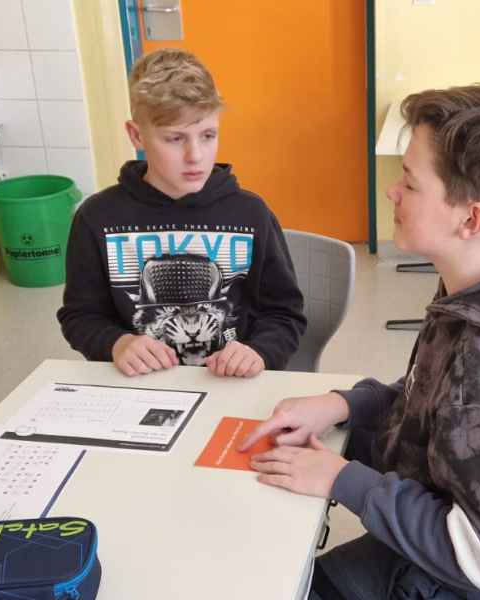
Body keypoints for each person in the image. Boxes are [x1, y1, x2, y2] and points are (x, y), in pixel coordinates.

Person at [240, 84, 480, 599]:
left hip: (468, 580)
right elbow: (431, 398)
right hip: (443, 514)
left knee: (281, 585)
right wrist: (345, 404)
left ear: (471, 219)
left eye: (409, 182)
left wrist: (341, 479)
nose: (392, 192)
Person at [57, 48, 306, 378]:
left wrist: (259, 351)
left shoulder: (251, 214)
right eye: (175, 139)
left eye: (208, 135)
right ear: (136, 135)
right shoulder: (96, 218)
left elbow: (285, 314)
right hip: (139, 385)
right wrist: (116, 343)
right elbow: (80, 316)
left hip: (229, 383)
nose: (195, 155)